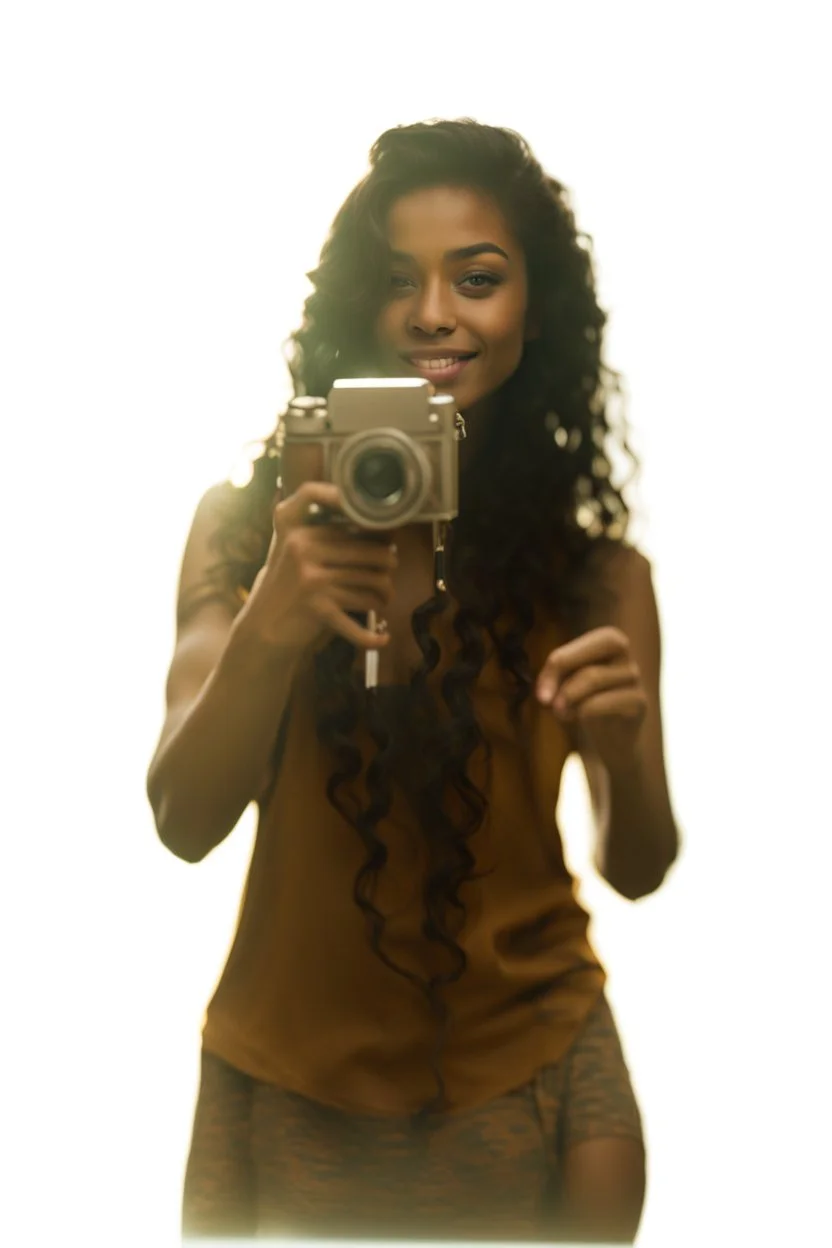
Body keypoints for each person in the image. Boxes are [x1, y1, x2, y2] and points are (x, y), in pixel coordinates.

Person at [147, 118, 680, 1243]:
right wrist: (271, 626)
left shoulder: (595, 578)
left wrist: (625, 745)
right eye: (398, 281)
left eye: (476, 278)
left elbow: (637, 866)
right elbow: (183, 818)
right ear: (358, 307)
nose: (435, 312)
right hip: (288, 1083)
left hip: (536, 1078)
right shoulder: (247, 534)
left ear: (535, 313)